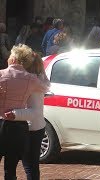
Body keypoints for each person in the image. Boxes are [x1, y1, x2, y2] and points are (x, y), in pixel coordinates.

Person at [0, 44, 49, 180]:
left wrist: (14, 113)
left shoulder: (7, 75)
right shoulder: (32, 80)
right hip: (21, 127)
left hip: (24, 126)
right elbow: (45, 87)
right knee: (15, 166)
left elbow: (35, 111)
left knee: (29, 165)